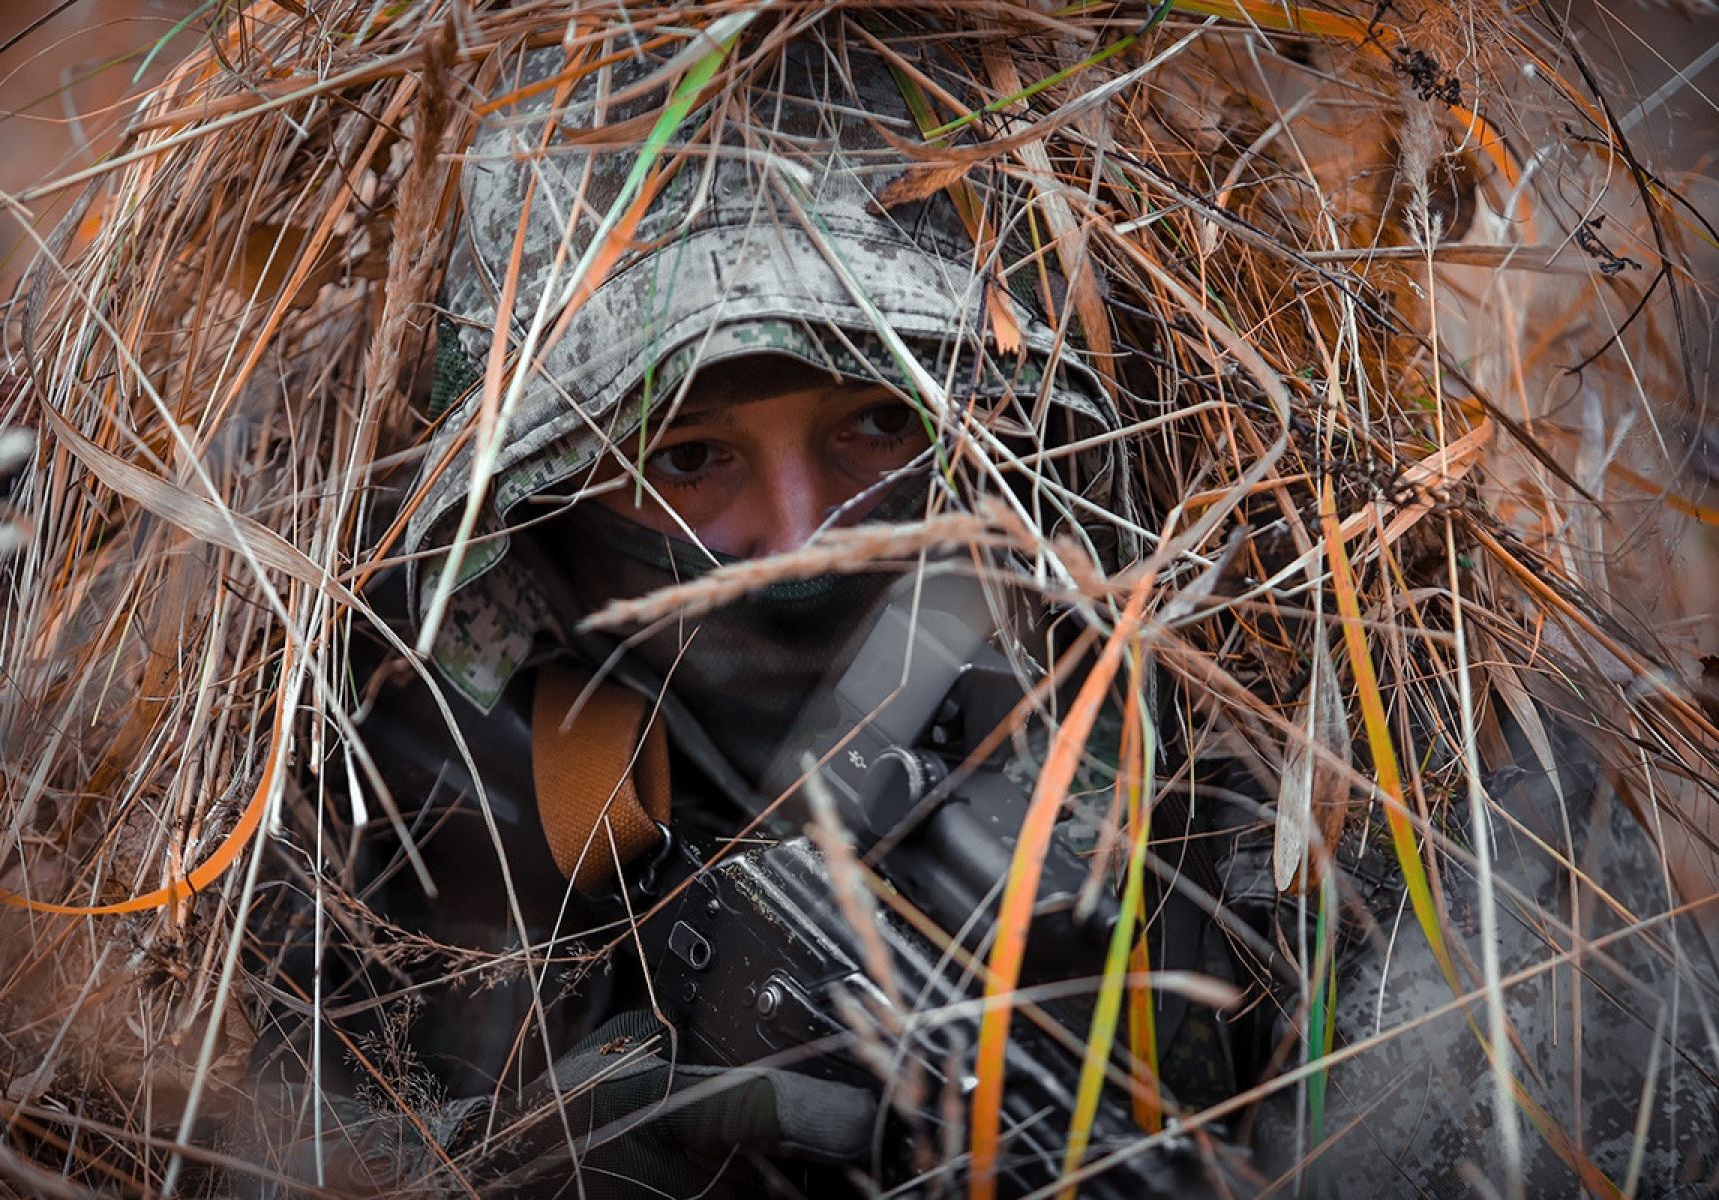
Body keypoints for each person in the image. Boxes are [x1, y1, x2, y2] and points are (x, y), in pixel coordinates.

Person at [237, 15, 1718, 1200]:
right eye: (687, 460)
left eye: (881, 425)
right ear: (543, 497)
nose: (804, 534)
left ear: (1021, 410)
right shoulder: (376, 792)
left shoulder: (1342, 730)